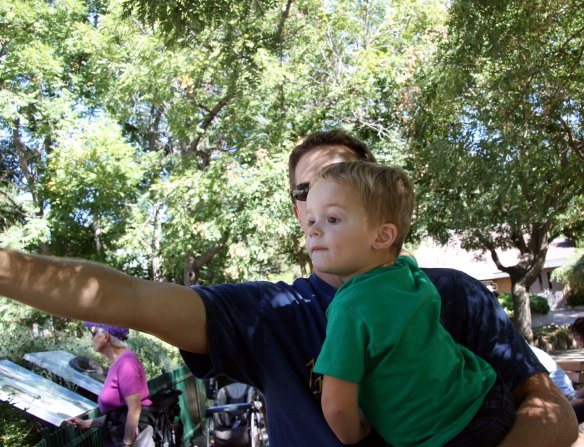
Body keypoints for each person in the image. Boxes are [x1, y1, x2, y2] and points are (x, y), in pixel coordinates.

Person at [0, 129, 578, 446]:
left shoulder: (452, 293)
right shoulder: (267, 314)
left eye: (339, 188)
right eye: (307, 193)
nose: (320, 208)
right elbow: (121, 296)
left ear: (379, 216)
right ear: (298, 211)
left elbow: (554, 413)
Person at [309, 161, 515, 446]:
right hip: (489, 395)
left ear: (383, 235)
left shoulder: (349, 307)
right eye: (311, 220)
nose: (313, 230)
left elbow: (336, 405)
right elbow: (405, 254)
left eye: (332, 219)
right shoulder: (405, 272)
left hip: (448, 435)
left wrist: (356, 432)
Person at [66, 323, 154, 447]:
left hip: (134, 439)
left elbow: (134, 409)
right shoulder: (117, 364)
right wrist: (85, 423)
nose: (92, 338)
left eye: (93, 333)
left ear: (105, 336)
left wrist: (127, 443)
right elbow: (117, 416)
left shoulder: (126, 364)